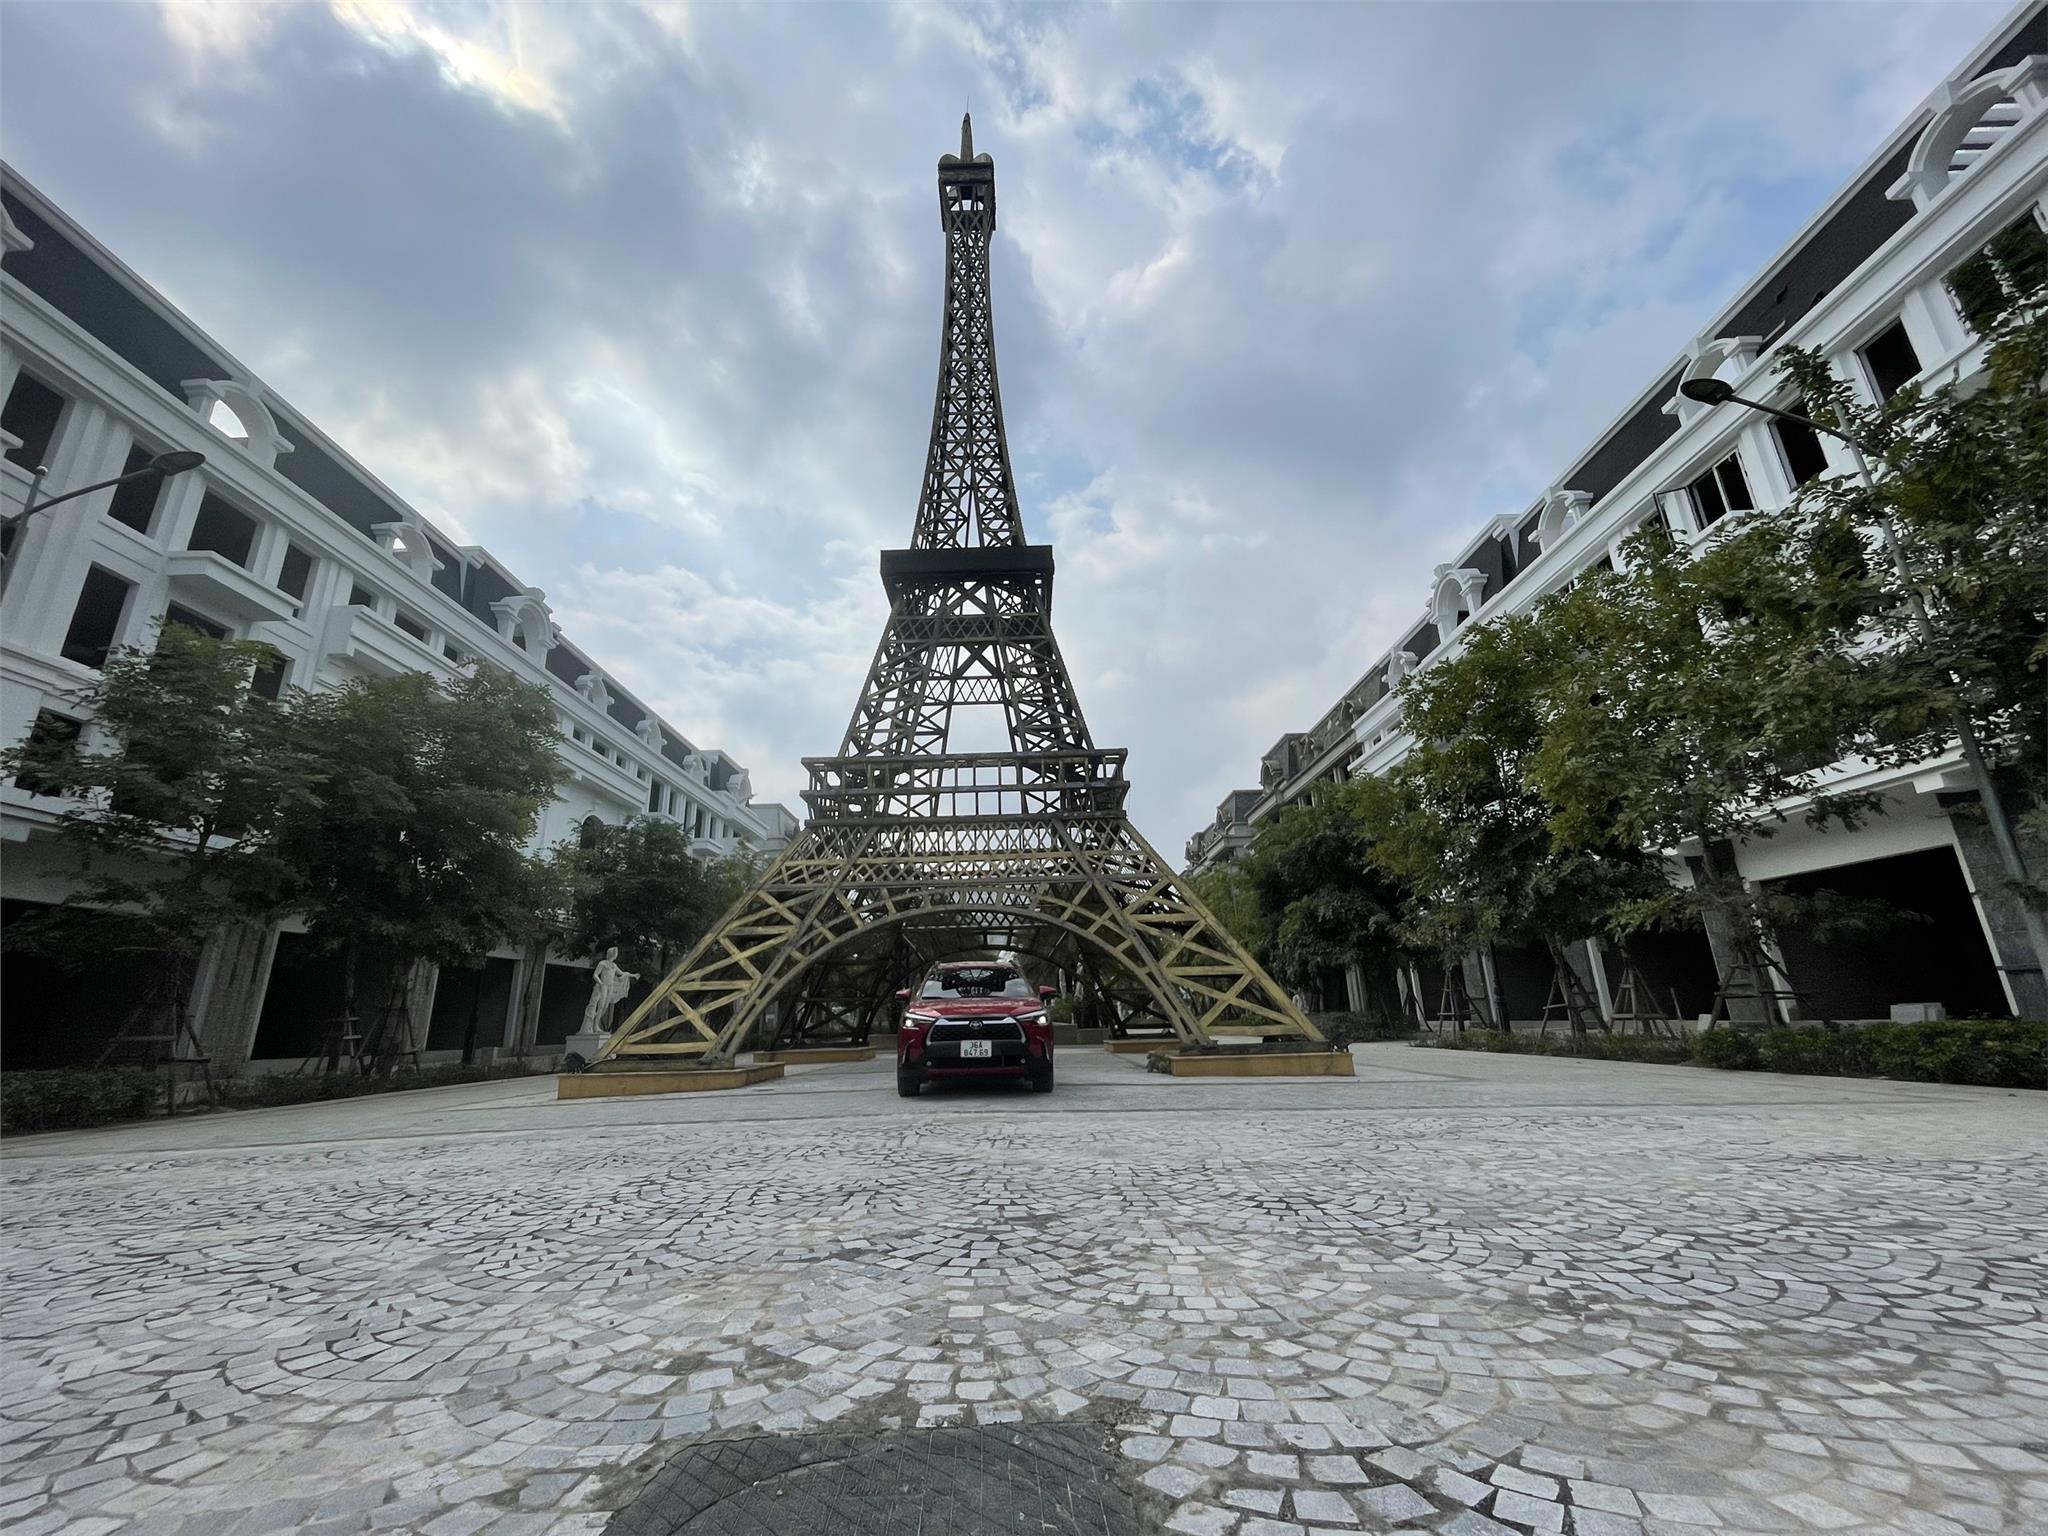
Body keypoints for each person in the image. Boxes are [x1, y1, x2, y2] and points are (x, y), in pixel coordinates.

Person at [581, 946, 638, 1034]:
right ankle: (595, 1026)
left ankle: (595, 1022)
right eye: (615, 954)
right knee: (601, 1005)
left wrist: (633, 975)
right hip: (604, 986)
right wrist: (600, 983)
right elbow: (595, 975)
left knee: (605, 1007)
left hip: (610, 987)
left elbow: (622, 974)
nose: (615, 955)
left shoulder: (614, 965)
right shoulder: (602, 963)